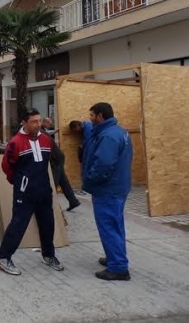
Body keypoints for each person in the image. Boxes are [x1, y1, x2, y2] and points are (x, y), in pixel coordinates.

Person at [0, 108, 64, 276]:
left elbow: (57, 159)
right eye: (33, 121)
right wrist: (19, 182)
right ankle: (3, 257)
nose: (37, 124)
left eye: (39, 121)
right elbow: (7, 167)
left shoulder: (46, 140)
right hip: (25, 192)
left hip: (44, 191)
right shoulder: (15, 143)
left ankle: (48, 255)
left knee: (48, 224)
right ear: (24, 122)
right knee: (18, 225)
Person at [82, 102, 133, 281]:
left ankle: (118, 267)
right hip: (118, 187)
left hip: (107, 189)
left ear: (100, 116)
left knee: (109, 226)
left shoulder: (108, 136)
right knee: (115, 224)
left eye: (92, 115)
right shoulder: (119, 132)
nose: (90, 118)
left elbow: (103, 165)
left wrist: (90, 179)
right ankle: (114, 257)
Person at [41, 117, 80, 211]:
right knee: (63, 181)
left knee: (54, 182)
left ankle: (47, 206)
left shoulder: (40, 133)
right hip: (57, 156)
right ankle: (73, 201)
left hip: (56, 158)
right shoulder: (41, 132)